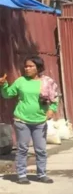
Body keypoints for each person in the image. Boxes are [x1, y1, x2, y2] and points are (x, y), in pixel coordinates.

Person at [1, 56, 58, 185]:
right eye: (26, 66)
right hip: (22, 120)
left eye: (30, 66)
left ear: (38, 68)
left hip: (40, 121)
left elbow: (55, 98)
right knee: (22, 148)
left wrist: (51, 110)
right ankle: (21, 175)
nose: (27, 68)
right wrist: (3, 85)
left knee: (41, 149)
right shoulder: (20, 81)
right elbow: (7, 94)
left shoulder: (47, 82)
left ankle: (42, 174)